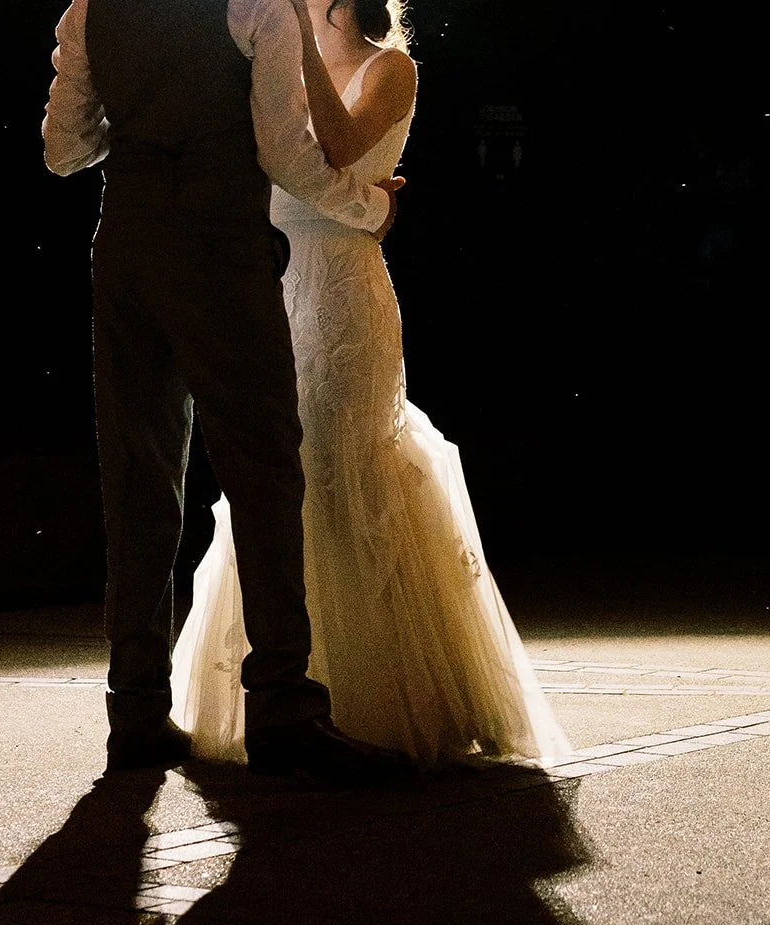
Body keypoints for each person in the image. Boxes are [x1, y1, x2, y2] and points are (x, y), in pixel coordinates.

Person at [171, 0, 570, 769]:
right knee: (280, 473)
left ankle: (374, 697)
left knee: (344, 462)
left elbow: (343, 147)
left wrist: (300, 57)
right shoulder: (270, 56)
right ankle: (284, 687)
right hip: (277, 279)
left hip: (345, 282)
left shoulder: (392, 67)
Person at [41, 0, 408, 778]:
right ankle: (283, 707)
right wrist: (372, 207)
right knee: (265, 467)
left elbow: (62, 152)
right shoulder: (253, 4)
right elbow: (287, 155)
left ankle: (135, 709)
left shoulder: (90, 10)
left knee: (138, 480)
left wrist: (142, 147)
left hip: (127, 253)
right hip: (217, 247)